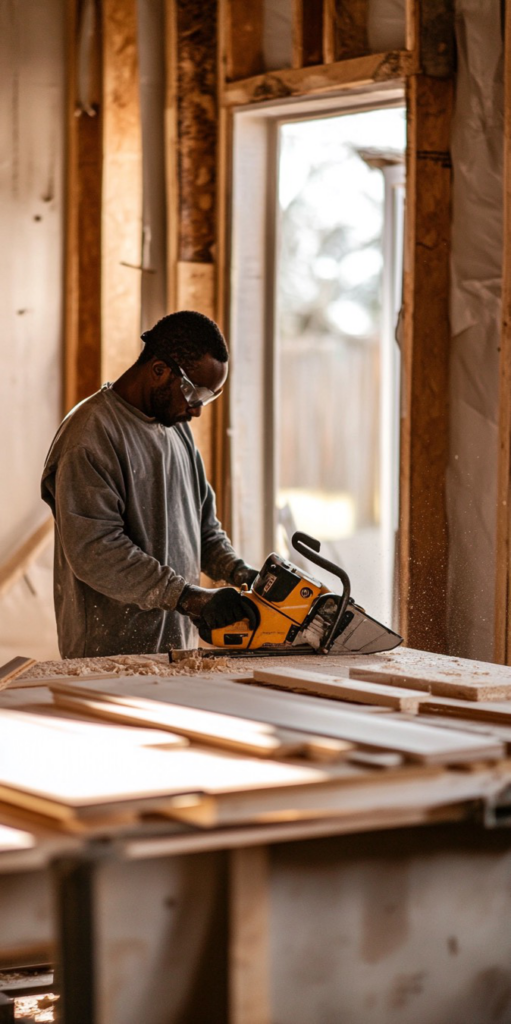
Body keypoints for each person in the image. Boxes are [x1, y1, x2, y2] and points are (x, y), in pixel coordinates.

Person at [41, 310, 258, 658]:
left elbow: (203, 529)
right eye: (195, 393)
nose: (198, 409)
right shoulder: (91, 435)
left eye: (208, 397)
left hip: (175, 652)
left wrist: (242, 574)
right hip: (108, 659)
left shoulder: (176, 429)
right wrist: (189, 598)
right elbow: (97, 551)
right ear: (160, 371)